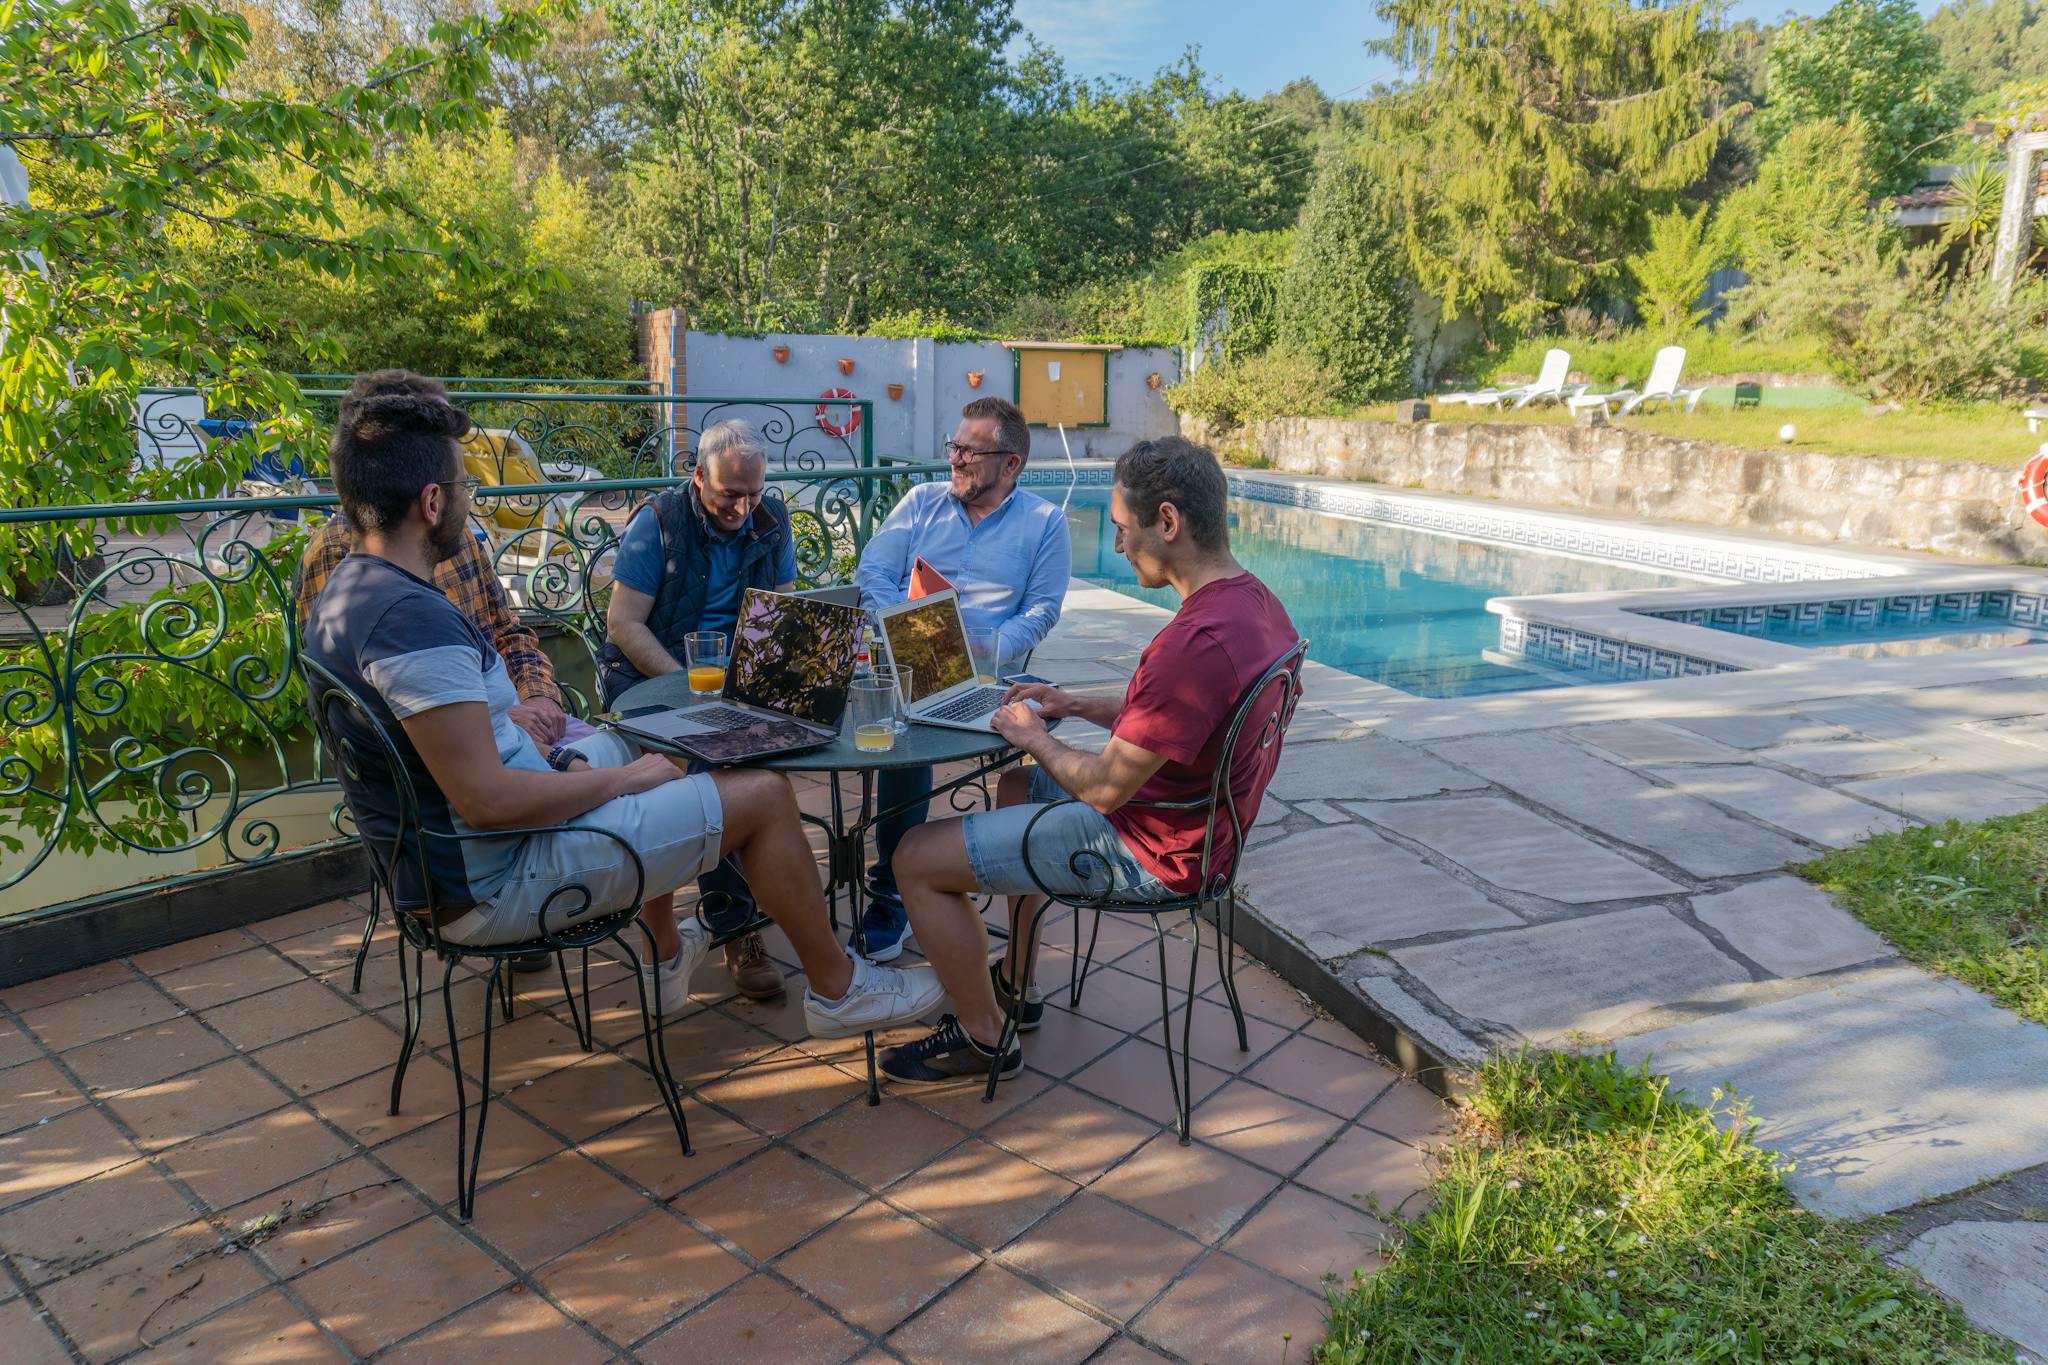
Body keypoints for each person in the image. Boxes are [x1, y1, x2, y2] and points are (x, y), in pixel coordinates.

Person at [303, 386, 946, 1039]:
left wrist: (566, 761)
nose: (469, 498)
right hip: (501, 879)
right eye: (464, 485)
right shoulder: (413, 623)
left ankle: (665, 958)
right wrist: (621, 782)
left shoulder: (350, 593)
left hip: (475, 852)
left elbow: (472, 761)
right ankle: (839, 990)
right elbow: (489, 802)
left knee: (654, 742)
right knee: (764, 794)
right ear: (432, 502)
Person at [876, 437, 1298, 1083]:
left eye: (1123, 528)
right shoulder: (1257, 604)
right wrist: (1073, 704)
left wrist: (1034, 734)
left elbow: (1103, 789)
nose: (1119, 544)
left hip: (1155, 853)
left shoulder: (1192, 642)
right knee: (1019, 787)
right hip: (1201, 826)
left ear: (1168, 521)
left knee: (914, 856)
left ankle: (985, 1037)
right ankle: (1017, 985)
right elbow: (1184, 715)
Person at [851, 396, 1072, 962]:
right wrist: (901, 625)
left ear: (1010, 464)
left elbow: (1043, 610)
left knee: (1018, 741)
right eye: (954, 446)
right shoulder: (920, 502)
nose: (954, 459)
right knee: (898, 728)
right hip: (909, 662)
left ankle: (973, 883)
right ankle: (892, 891)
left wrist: (984, 646)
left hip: (989, 675)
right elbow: (874, 569)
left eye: (970, 452)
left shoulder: (1045, 522)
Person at [597, 420, 797, 1000]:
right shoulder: (658, 522)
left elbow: (781, 611)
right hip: (649, 680)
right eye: (730, 493)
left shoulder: (771, 518)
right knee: (721, 770)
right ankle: (737, 926)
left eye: (754, 493)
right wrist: (688, 688)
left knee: (783, 754)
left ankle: (753, 908)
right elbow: (624, 626)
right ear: (698, 477)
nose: (743, 507)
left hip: (733, 683)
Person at [296, 370, 568, 752]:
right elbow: (361, 707)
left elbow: (508, 632)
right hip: (462, 755)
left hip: (513, 735)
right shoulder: (340, 557)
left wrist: (540, 697)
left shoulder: (454, 535)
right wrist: (502, 720)